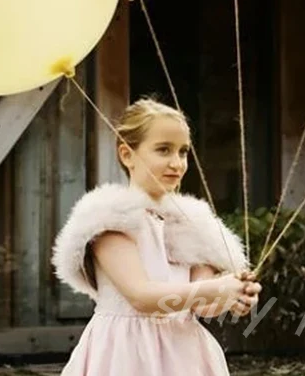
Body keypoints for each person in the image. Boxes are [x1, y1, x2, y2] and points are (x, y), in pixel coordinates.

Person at [52, 97, 262, 375]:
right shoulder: (111, 220)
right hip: (126, 352)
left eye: (183, 152)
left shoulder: (192, 224)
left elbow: (202, 304)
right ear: (127, 155)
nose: (177, 163)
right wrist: (216, 289)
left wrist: (233, 296)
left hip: (183, 353)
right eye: (163, 150)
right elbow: (141, 297)